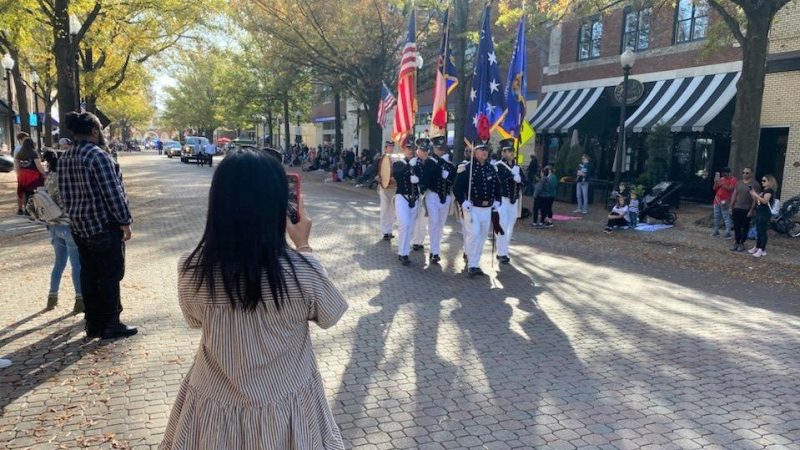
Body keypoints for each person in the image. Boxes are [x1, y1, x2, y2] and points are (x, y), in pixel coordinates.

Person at [161, 149, 347, 450]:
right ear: (279, 205)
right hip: (288, 409)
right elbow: (331, 315)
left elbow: (194, 320)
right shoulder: (302, 271)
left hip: (213, 411)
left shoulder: (193, 269)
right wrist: (303, 245)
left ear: (218, 203)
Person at [58, 112, 137, 339]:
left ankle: (93, 323)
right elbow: (113, 193)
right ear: (94, 131)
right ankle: (112, 322)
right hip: (103, 226)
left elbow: (63, 194)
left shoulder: (65, 157)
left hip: (79, 227)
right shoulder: (97, 156)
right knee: (111, 275)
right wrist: (125, 222)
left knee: (89, 275)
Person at [40, 150, 84, 313]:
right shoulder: (66, 178)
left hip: (53, 224)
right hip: (67, 224)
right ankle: (80, 299)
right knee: (76, 265)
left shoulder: (49, 177)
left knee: (59, 263)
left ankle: (52, 296)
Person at [453, 142, 501, 277]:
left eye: (486, 150)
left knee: (482, 237)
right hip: (472, 207)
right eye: (481, 149)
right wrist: (463, 201)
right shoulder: (466, 168)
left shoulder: (491, 168)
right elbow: (457, 187)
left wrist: (498, 200)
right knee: (473, 234)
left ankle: (475, 262)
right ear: (475, 152)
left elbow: (498, 186)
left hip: (487, 208)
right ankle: (472, 264)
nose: (484, 152)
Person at [424, 136, 456, 264]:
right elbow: (430, 177)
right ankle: (434, 251)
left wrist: (448, 170)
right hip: (433, 195)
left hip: (445, 197)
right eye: (438, 148)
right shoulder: (429, 162)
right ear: (434, 148)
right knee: (434, 222)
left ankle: (435, 249)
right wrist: (441, 164)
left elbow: (453, 178)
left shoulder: (448, 163)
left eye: (442, 148)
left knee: (441, 225)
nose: (441, 151)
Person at [393, 136, 423, 265]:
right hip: (402, 197)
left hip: (414, 198)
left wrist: (420, 180)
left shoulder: (418, 163)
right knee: (404, 224)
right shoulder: (398, 163)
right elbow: (397, 175)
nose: (410, 151)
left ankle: (406, 252)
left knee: (410, 227)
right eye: (408, 148)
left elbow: (425, 177)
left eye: (412, 149)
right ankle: (402, 252)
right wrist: (408, 166)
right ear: (403, 150)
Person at [495, 139, 526, 264]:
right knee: (502, 226)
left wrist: (520, 179)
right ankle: (501, 252)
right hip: (503, 200)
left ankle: (504, 250)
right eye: (508, 151)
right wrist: (511, 176)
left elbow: (526, 182)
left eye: (512, 151)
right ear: (502, 153)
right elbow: (497, 180)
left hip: (514, 201)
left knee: (510, 227)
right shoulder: (498, 166)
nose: (511, 153)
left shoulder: (517, 167)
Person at [729, 167, 760, 252]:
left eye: (747, 173)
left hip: (747, 208)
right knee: (736, 226)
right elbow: (734, 195)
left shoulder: (755, 184)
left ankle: (742, 243)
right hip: (737, 207)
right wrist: (731, 207)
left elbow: (755, 199)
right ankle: (736, 241)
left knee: (745, 227)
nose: (744, 174)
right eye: (743, 172)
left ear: (751, 174)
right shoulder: (739, 183)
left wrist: (751, 210)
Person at [14, 137, 45, 215]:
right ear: (32, 144)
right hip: (32, 175)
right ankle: (30, 210)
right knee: (32, 192)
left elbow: (17, 166)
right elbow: (38, 166)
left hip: (22, 175)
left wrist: (18, 175)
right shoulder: (33, 153)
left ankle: (20, 209)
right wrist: (44, 174)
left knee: (21, 192)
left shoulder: (19, 154)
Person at [748, 175, 778, 258]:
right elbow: (757, 200)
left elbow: (765, 201)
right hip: (760, 212)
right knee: (758, 230)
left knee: (762, 231)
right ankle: (757, 247)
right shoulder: (764, 191)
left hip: (764, 213)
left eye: (764, 181)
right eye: (762, 180)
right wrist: (753, 194)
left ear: (770, 182)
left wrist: (755, 194)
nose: (762, 182)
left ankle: (762, 249)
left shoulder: (769, 191)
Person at [411, 138, 429, 252]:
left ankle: (420, 241)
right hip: (417, 194)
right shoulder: (413, 163)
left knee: (424, 220)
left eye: (426, 150)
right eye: (422, 150)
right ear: (418, 151)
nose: (424, 153)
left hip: (427, 193)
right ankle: (415, 241)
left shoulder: (429, 162)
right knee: (416, 219)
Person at [376, 141, 397, 240]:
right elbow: (374, 171)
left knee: (392, 210)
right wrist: (378, 178)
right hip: (384, 188)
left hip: (393, 188)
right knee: (384, 209)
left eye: (392, 147)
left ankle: (389, 230)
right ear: (385, 148)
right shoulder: (381, 159)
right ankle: (384, 231)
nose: (391, 148)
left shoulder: (396, 159)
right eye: (389, 147)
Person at [711, 167, 736, 238]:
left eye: (725, 174)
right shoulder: (721, 179)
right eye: (723, 174)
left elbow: (730, 188)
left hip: (725, 200)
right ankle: (716, 230)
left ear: (729, 173)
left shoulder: (733, 179)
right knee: (716, 216)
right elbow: (714, 188)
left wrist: (722, 184)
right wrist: (716, 182)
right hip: (717, 199)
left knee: (726, 216)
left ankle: (728, 231)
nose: (724, 176)